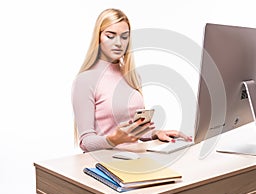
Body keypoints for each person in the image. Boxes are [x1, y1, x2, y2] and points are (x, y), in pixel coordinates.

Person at [72, 8, 192, 152]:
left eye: (124, 37)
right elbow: (85, 142)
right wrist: (113, 140)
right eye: (110, 36)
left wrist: (155, 134)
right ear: (98, 38)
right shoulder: (85, 80)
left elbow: (136, 130)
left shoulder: (131, 75)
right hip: (105, 163)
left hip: (135, 157)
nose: (118, 43)